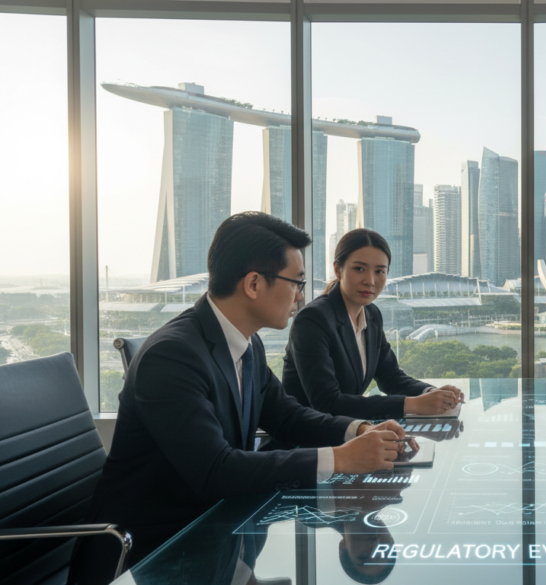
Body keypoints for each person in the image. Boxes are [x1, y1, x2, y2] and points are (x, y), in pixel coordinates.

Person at [68, 212, 406, 584]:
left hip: (221, 540)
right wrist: (339, 459)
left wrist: (357, 430)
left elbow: (287, 416)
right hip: (151, 555)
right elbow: (216, 470)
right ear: (253, 284)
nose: (301, 295)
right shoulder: (172, 356)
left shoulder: (246, 343)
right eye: (296, 282)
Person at [281, 229, 464, 421]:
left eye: (379, 271)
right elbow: (327, 402)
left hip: (346, 434)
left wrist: (432, 393)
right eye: (359, 269)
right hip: (307, 441)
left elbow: (391, 377)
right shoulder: (313, 319)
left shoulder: (372, 315)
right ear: (338, 269)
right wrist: (413, 404)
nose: (370, 281)